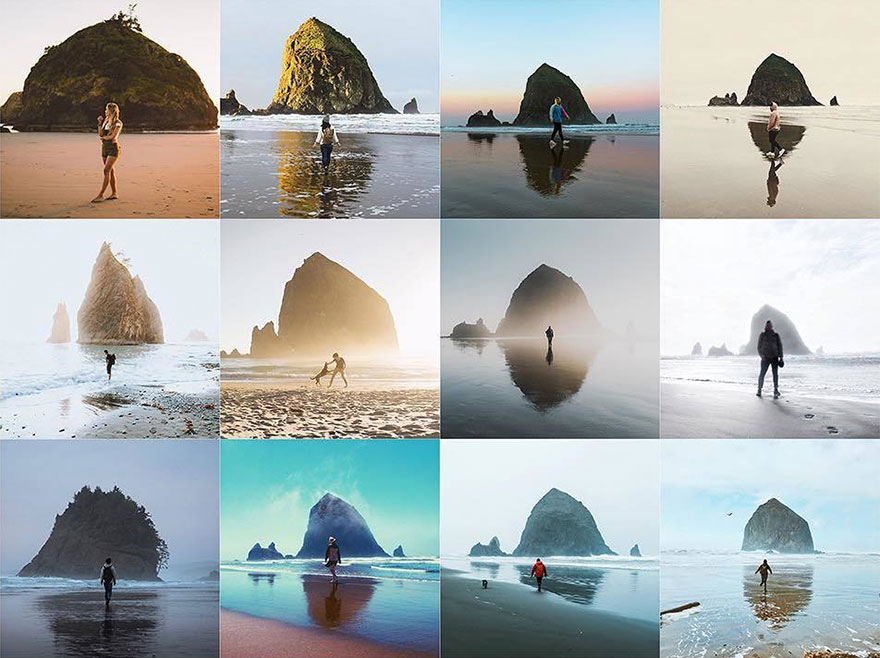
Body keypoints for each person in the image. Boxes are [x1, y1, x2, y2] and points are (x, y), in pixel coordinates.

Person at [92, 103, 123, 203]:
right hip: (104, 148)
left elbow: (113, 137)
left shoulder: (118, 123)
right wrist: (100, 123)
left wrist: (105, 138)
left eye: (106, 109)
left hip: (113, 149)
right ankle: (114, 193)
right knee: (110, 171)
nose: (105, 111)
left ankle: (101, 194)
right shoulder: (105, 121)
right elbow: (100, 134)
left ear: (111, 110)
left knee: (106, 170)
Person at [756, 320, 783, 399]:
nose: (769, 326)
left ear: (772, 326)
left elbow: (780, 346)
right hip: (765, 358)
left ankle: (776, 390)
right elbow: (759, 347)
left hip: (775, 357)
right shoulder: (762, 335)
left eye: (770, 325)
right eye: (767, 325)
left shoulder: (776, 335)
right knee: (762, 374)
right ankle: (759, 390)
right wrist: (761, 356)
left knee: (775, 375)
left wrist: (781, 357)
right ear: (765, 326)